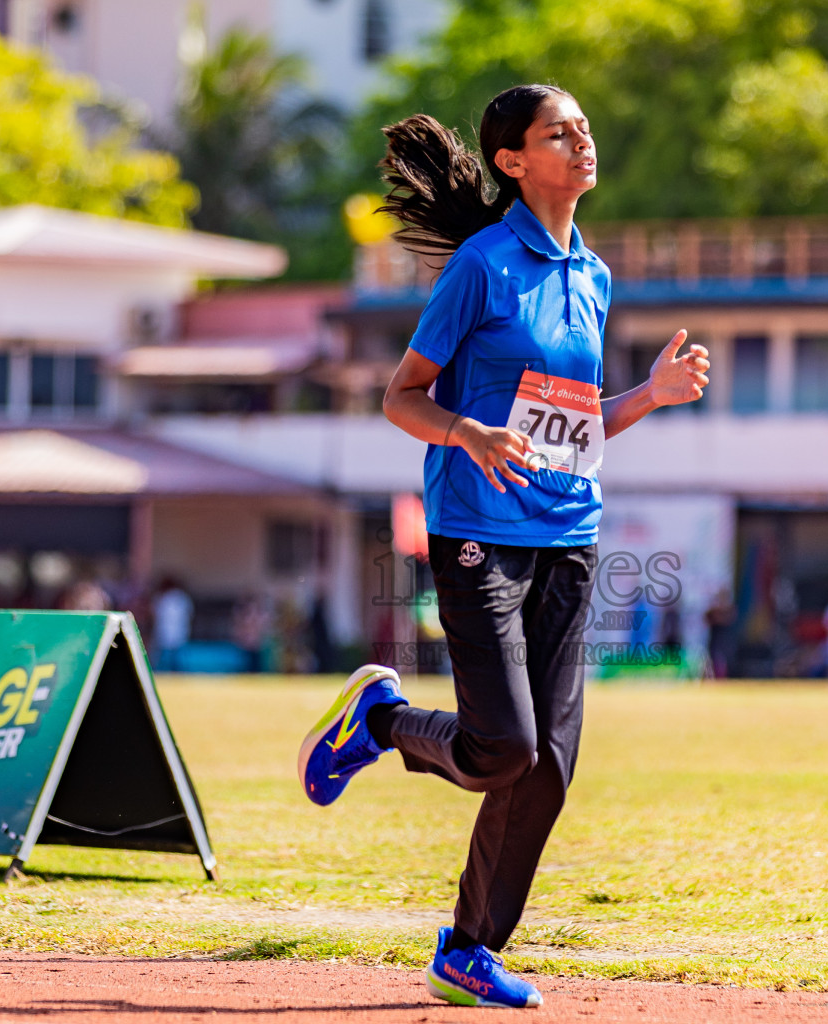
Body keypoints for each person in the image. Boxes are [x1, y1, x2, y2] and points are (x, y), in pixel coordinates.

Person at [296, 84, 710, 1010]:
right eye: (559, 132)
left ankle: (468, 948)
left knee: (550, 769)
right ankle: (381, 723)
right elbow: (403, 394)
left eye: (585, 127)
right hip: (479, 534)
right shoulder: (481, 267)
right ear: (515, 162)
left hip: (571, 535)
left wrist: (648, 395)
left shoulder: (593, 276)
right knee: (502, 749)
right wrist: (466, 435)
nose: (582, 140)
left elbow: (577, 424)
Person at [150, 577, 193, 673]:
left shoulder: (163, 598)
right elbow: (189, 615)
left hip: (166, 637)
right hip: (177, 637)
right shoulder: (181, 598)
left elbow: (154, 615)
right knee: (177, 666)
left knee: (165, 667)